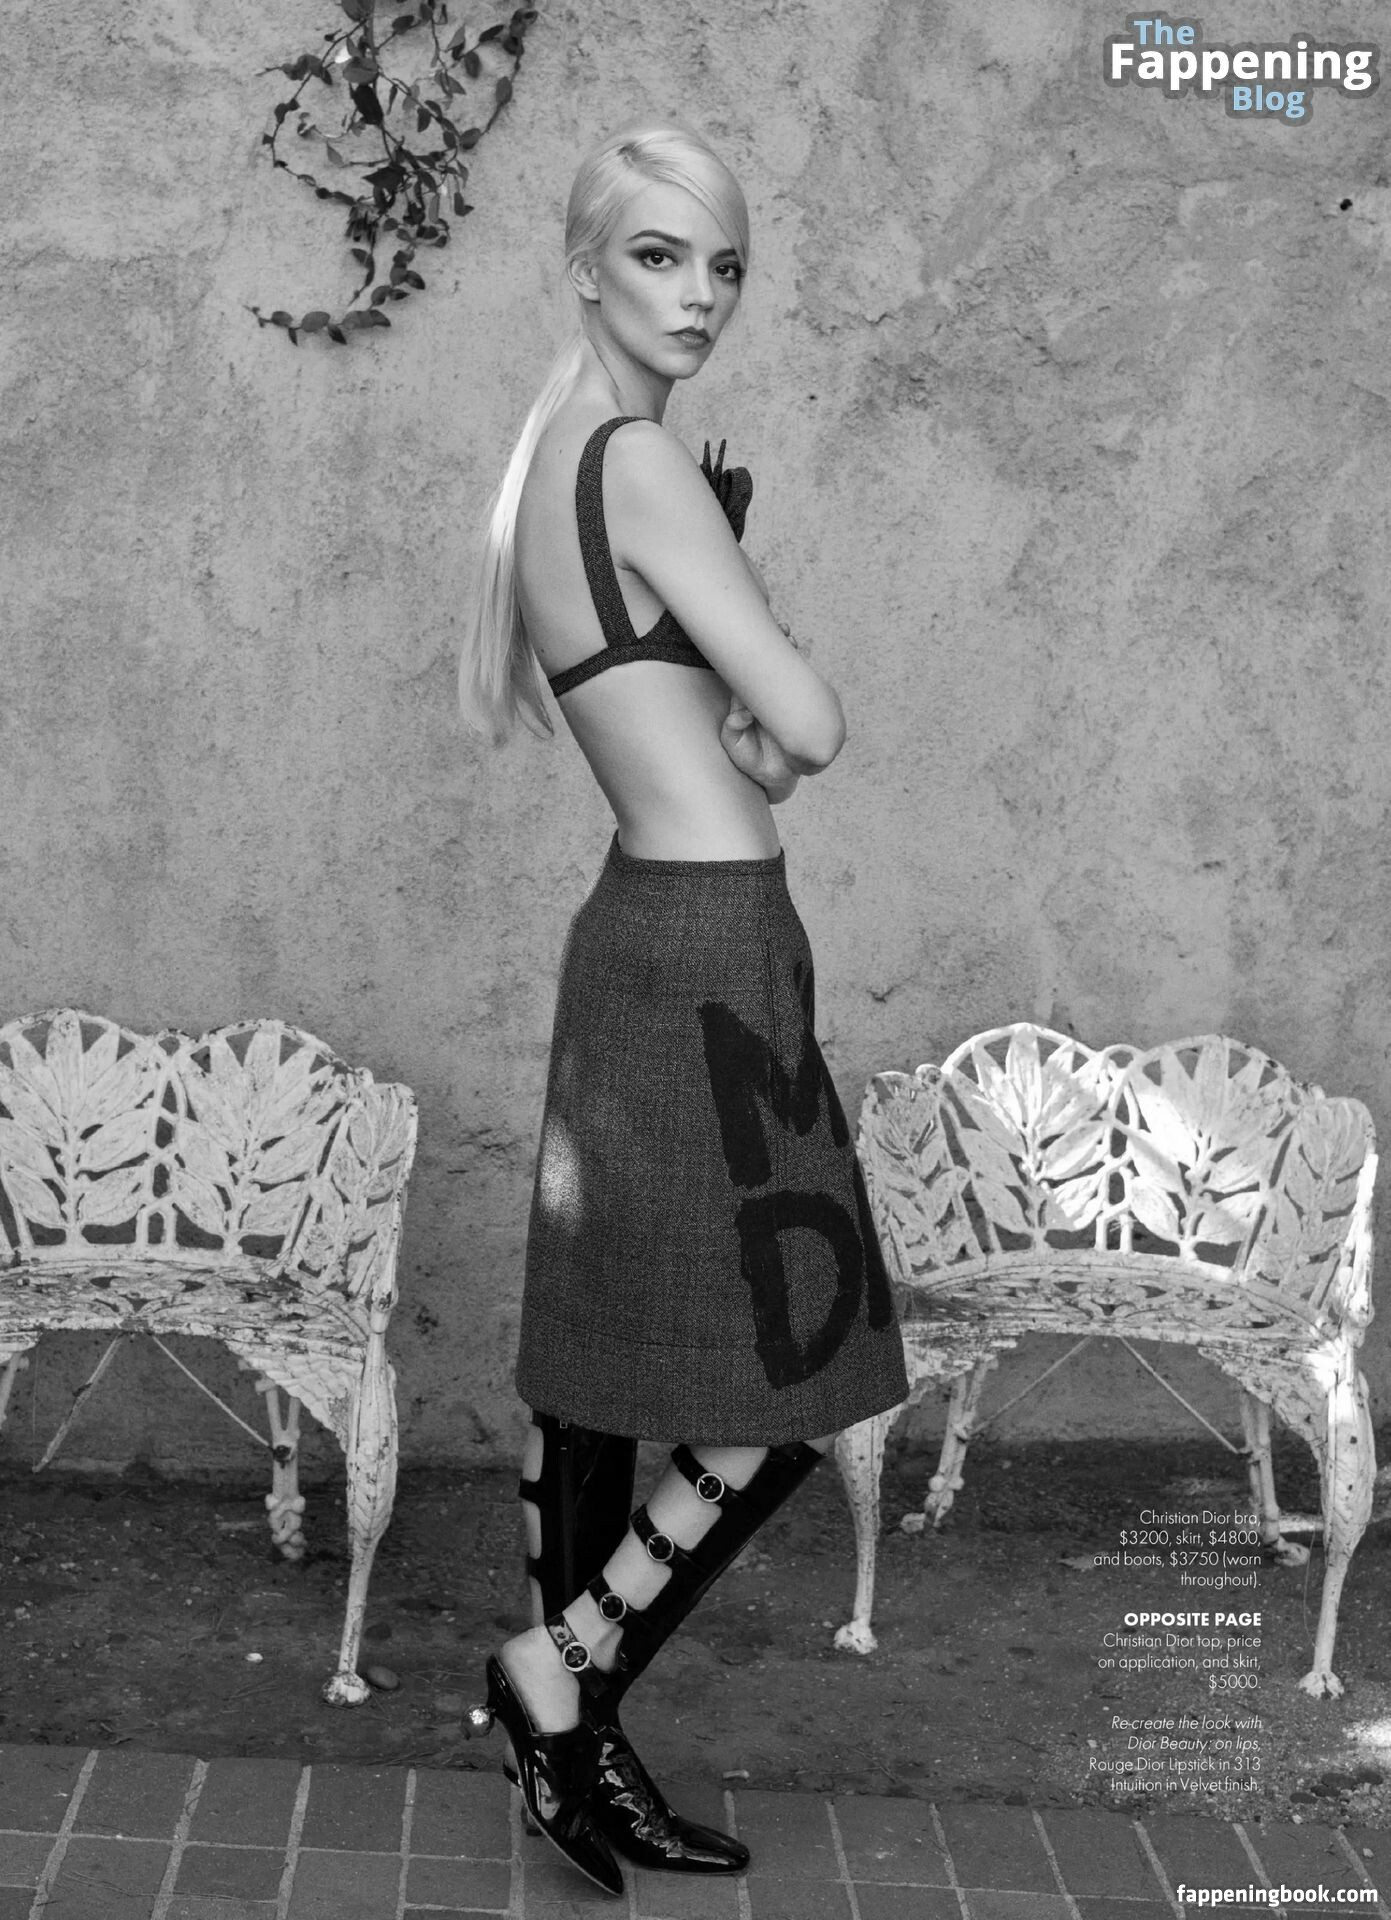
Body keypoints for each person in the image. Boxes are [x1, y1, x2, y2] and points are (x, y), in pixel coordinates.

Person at [458, 122, 909, 1899]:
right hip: (710, 947)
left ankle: (573, 1737)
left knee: (603, 1364)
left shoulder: (546, 469)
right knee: (795, 1371)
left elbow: (724, 748)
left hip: (646, 924)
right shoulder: (637, 462)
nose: (699, 295)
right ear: (583, 267)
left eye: (723, 264)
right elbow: (815, 724)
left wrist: (750, 732)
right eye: (659, 256)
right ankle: (557, 1677)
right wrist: (768, 697)